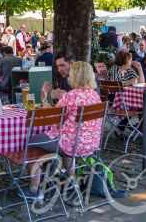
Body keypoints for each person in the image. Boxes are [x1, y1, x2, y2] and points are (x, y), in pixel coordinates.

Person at [28, 62, 103, 195]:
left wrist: (44, 96)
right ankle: (71, 182)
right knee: (65, 146)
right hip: (91, 145)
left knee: (32, 142)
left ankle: (35, 190)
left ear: (74, 76)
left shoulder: (71, 96)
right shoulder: (95, 96)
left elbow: (52, 115)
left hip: (70, 144)